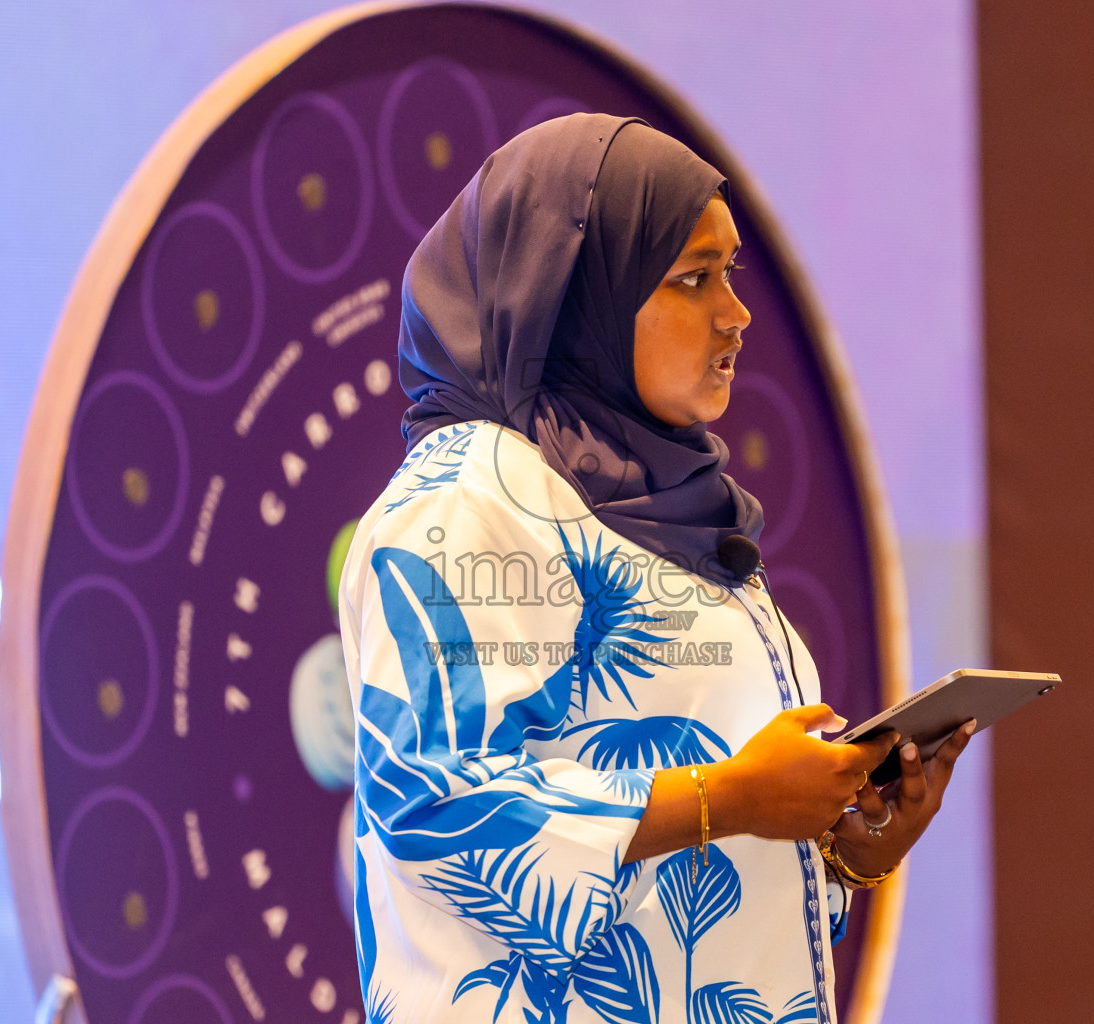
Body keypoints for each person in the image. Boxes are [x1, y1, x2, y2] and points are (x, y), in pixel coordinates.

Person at [338, 113, 973, 1024]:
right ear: (575, 294)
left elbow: (693, 891)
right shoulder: (469, 495)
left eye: (732, 274)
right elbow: (432, 802)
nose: (736, 313)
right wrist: (735, 796)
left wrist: (848, 849)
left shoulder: (669, 504)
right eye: (693, 279)